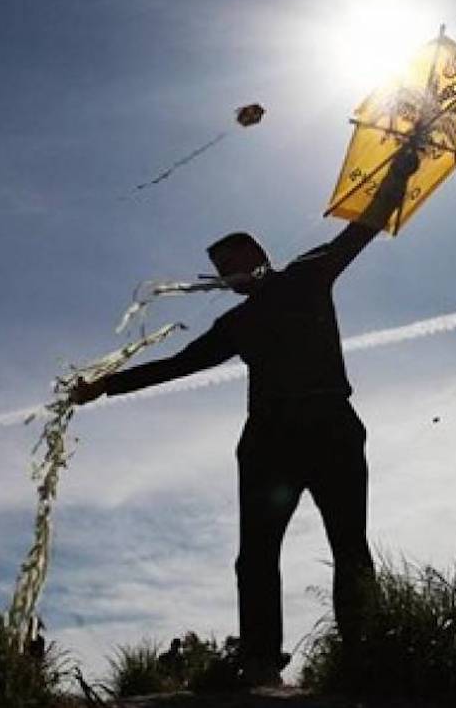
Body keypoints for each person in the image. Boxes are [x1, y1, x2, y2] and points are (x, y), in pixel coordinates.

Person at [70, 146, 422, 686]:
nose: (231, 274)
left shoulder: (308, 274)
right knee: (255, 556)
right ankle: (260, 662)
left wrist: (401, 166)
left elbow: (365, 226)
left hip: (330, 424)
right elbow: (180, 365)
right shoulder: (237, 323)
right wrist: (106, 386)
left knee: (349, 545)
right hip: (268, 443)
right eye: (222, 271)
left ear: (259, 253)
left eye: (236, 262)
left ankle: (363, 654)